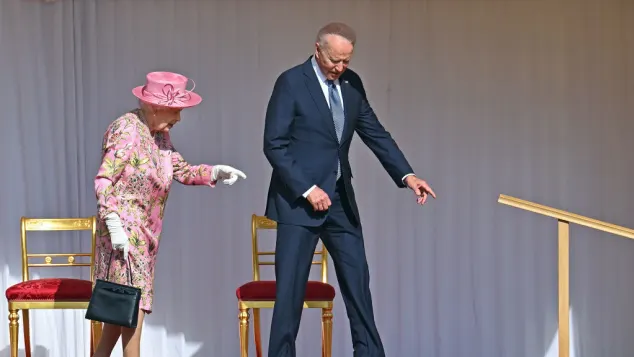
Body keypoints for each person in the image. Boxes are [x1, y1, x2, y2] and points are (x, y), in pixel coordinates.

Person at [263, 22, 437, 357]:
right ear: (317, 50)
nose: (340, 68)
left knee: (358, 284)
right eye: (334, 61)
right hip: (299, 204)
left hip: (340, 200)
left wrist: (407, 175)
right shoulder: (291, 83)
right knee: (290, 293)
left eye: (347, 61)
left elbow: (375, 133)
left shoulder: (351, 84)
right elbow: (274, 145)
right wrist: (307, 188)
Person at [91, 71, 246, 357]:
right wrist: (113, 224)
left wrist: (215, 172)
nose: (179, 118)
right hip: (123, 237)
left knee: (118, 314)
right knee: (133, 312)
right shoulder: (126, 129)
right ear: (155, 105)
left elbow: (182, 170)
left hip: (145, 237)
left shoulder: (160, 136)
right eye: (176, 110)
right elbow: (104, 180)